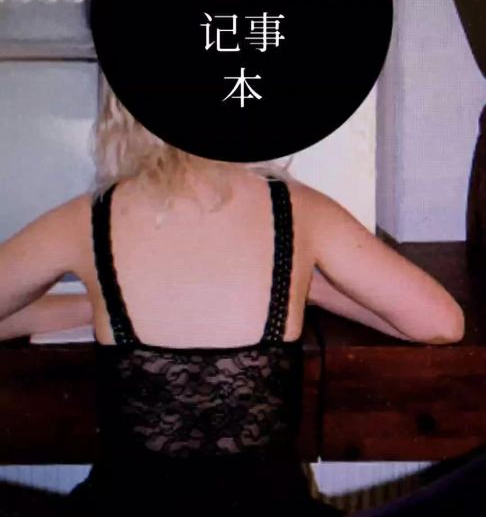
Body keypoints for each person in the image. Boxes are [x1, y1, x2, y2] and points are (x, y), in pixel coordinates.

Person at [0, 83, 482, 517]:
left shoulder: (85, 218)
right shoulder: (295, 208)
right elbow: (440, 323)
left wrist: (97, 302)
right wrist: (308, 287)